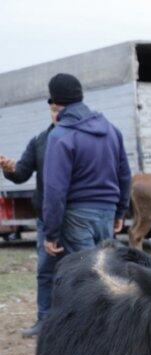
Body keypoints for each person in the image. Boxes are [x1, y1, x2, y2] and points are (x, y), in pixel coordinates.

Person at [42, 73, 131, 258]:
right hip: (107, 211)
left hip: (77, 216)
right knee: (105, 267)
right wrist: (120, 212)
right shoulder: (112, 130)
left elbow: (55, 189)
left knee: (85, 271)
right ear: (80, 95)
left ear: (54, 101)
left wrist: (51, 233)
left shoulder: (60, 135)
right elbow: (124, 175)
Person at [0, 110, 58, 337]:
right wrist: (10, 168)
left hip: (74, 215)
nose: (56, 113)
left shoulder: (78, 137)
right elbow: (22, 172)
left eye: (59, 108)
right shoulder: (40, 141)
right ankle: (44, 320)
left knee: (81, 269)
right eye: (53, 109)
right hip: (46, 215)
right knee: (45, 270)